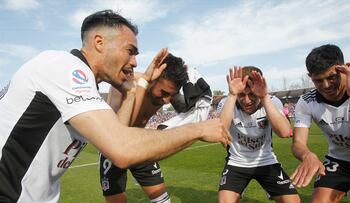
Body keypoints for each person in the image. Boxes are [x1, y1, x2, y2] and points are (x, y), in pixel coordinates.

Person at [0, 9, 231, 202]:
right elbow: (120, 149)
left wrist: (135, 88)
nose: (135, 62)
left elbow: (116, 132)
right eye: (130, 51)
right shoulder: (67, 67)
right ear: (99, 42)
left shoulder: (82, 80)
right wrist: (198, 129)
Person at [100, 53, 200, 203]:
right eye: (164, 93)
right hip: (114, 148)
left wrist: (192, 91)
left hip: (140, 143)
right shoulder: (124, 84)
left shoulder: (168, 88)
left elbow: (187, 111)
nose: (166, 101)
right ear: (155, 77)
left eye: (170, 95)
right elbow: (118, 130)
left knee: (163, 200)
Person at [217, 66, 300, 203]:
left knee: (293, 201)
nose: (247, 100)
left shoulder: (271, 100)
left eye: (252, 95)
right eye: (242, 95)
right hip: (237, 163)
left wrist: (264, 97)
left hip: (266, 160)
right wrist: (232, 95)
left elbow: (285, 132)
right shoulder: (227, 102)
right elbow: (220, 133)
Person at [291, 44, 350, 203]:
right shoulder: (307, 101)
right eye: (318, 80)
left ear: (345, 68)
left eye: (331, 77)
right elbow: (298, 143)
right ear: (310, 77)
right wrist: (307, 155)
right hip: (341, 162)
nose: (326, 85)